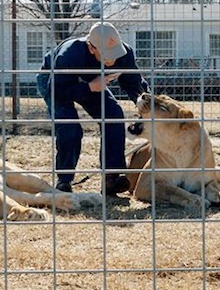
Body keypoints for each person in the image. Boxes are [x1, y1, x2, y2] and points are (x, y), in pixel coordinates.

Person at [36, 22, 149, 196]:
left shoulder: (124, 54)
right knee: (70, 128)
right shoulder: (69, 55)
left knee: (114, 115)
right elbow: (57, 90)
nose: (112, 60)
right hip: (57, 83)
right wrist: (89, 87)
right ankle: (64, 181)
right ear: (91, 47)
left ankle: (112, 177)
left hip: (93, 82)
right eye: (107, 55)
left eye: (115, 53)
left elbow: (133, 83)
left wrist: (146, 106)